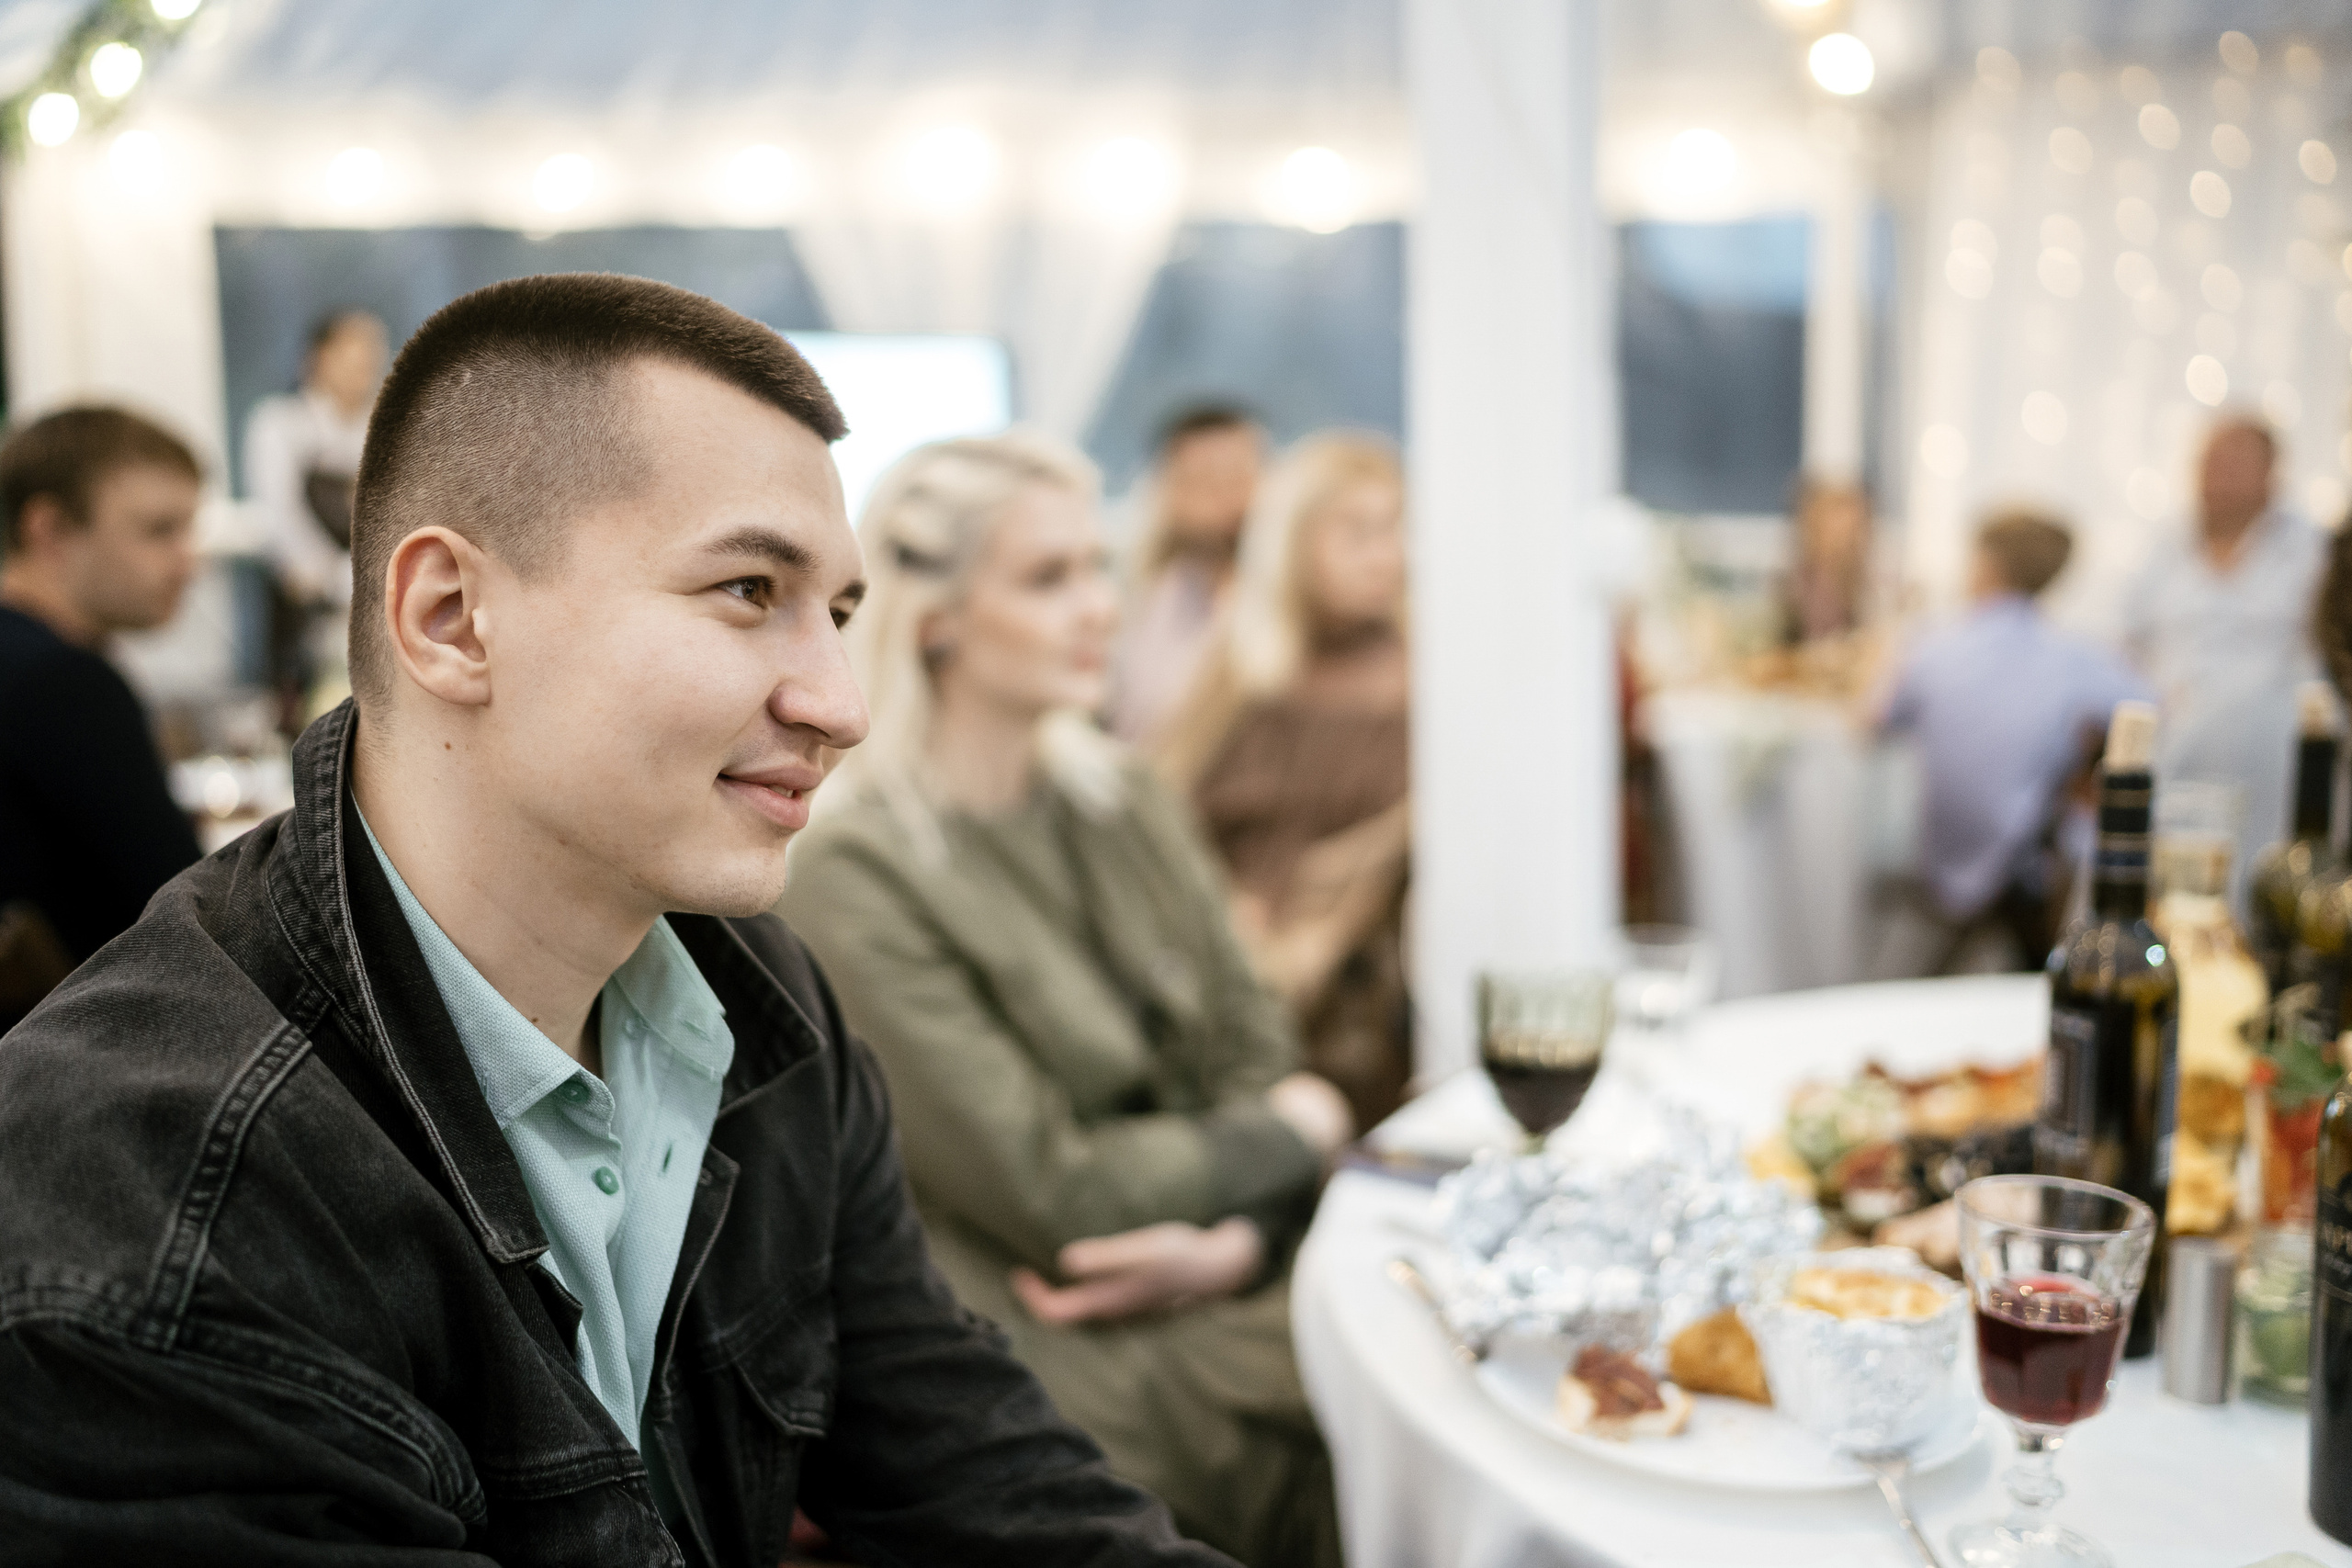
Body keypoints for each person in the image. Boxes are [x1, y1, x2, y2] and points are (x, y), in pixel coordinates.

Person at [0, 276, 1240, 1567]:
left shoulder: (757, 999)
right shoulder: (155, 1209)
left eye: (842, 613)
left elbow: (985, 1470)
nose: (840, 701)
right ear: (450, 618)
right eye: (750, 588)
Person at [779, 432, 1352, 1568]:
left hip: (1222, 1270)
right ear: (934, 617)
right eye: (1049, 579)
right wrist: (1295, 1133)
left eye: (1099, 569)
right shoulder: (852, 877)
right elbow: (1053, 1189)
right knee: (1369, 1399)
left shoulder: (1126, 797)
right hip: (1030, 1329)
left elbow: (1254, 1043)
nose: (1100, 607)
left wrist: (1230, 1239)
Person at [1157, 432, 1413, 1131]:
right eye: (1357, 532)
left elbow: (1385, 854)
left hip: (1341, 977)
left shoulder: (1418, 682)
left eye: (1395, 530)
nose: (1386, 555)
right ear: (1294, 542)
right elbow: (1166, 803)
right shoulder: (1246, 667)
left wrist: (1303, 931)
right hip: (1211, 945)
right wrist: (1219, 905)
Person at [1871, 509, 2150, 976]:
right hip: (2022, 862)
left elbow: (1874, 721)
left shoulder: (1932, 644)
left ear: (1986, 564)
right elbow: (2148, 708)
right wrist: (2085, 760)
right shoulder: (2074, 658)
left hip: (1944, 852)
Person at [0, 406, 204, 1028]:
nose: (187, 560)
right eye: (158, 530)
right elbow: (191, 916)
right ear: (51, 530)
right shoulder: (64, 683)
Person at [2122, 414, 2324, 887]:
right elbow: (2123, 640)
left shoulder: (2312, 550)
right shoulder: (2163, 546)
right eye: (2210, 462)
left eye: (2235, 464)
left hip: (2268, 747)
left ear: (2272, 474)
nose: (2219, 476)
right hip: (2169, 735)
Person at [244, 309, 389, 720]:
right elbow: (279, 517)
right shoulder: (280, 423)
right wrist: (337, 581)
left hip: (374, 603)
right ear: (318, 358)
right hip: (305, 610)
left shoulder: (379, 427)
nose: (369, 364)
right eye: (357, 352)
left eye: (375, 353)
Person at [1107, 405, 1265, 744]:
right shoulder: (1132, 602)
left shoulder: (1290, 599)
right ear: (1168, 490)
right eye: (1206, 481)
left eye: (1241, 477)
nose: (1230, 498)